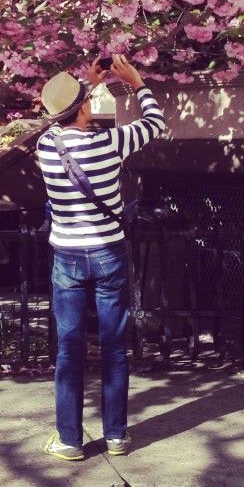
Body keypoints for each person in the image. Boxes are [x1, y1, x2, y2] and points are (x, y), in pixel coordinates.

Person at [36, 55, 166, 461]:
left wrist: (85, 87)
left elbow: (63, 116)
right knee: (113, 346)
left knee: (69, 347)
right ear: (87, 106)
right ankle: (117, 436)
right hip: (109, 252)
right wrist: (136, 81)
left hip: (68, 256)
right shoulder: (111, 142)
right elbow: (155, 123)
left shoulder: (46, 145)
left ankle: (70, 440)